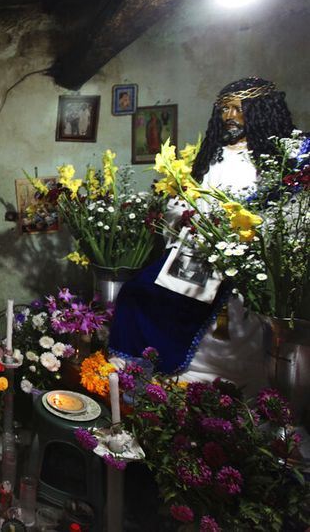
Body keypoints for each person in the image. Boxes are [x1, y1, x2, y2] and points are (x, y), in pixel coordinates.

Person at [110, 77, 295, 395]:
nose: (229, 117)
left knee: (221, 314)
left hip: (240, 264)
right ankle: (141, 372)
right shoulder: (213, 155)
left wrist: (238, 238)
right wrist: (184, 217)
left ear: (261, 110)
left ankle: (198, 377)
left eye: (237, 109)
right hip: (194, 253)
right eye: (224, 109)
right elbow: (184, 201)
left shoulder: (273, 162)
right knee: (135, 293)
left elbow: (281, 217)